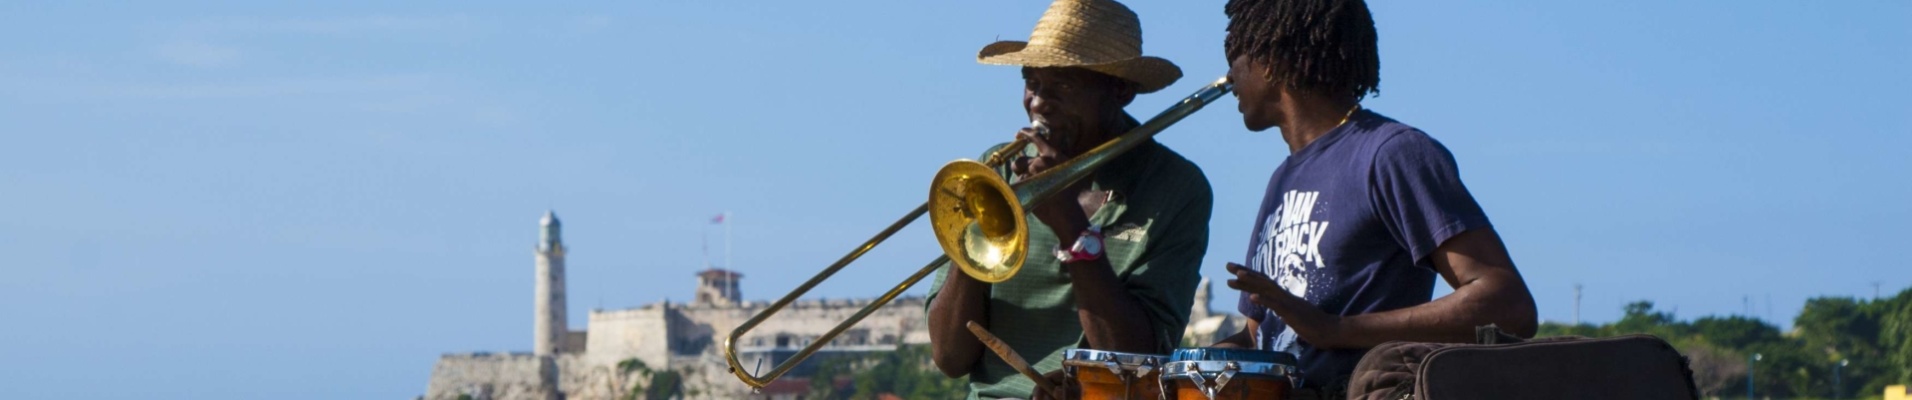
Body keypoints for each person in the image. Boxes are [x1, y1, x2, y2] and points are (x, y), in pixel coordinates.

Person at [1210, 0, 1540, 397]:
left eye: (1236, 56)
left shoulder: (1392, 153)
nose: (1229, 75)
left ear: (1271, 58)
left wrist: (1336, 330)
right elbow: (1260, 336)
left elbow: (1508, 306)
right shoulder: (1283, 177)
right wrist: (1182, 367)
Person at [923, 0, 1214, 398]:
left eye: (1062, 86)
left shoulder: (1177, 187)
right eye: (1032, 83)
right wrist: (978, 235)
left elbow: (1135, 356)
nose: (1039, 104)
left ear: (1120, 90)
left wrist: (1070, 228)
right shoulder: (998, 171)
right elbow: (950, 357)